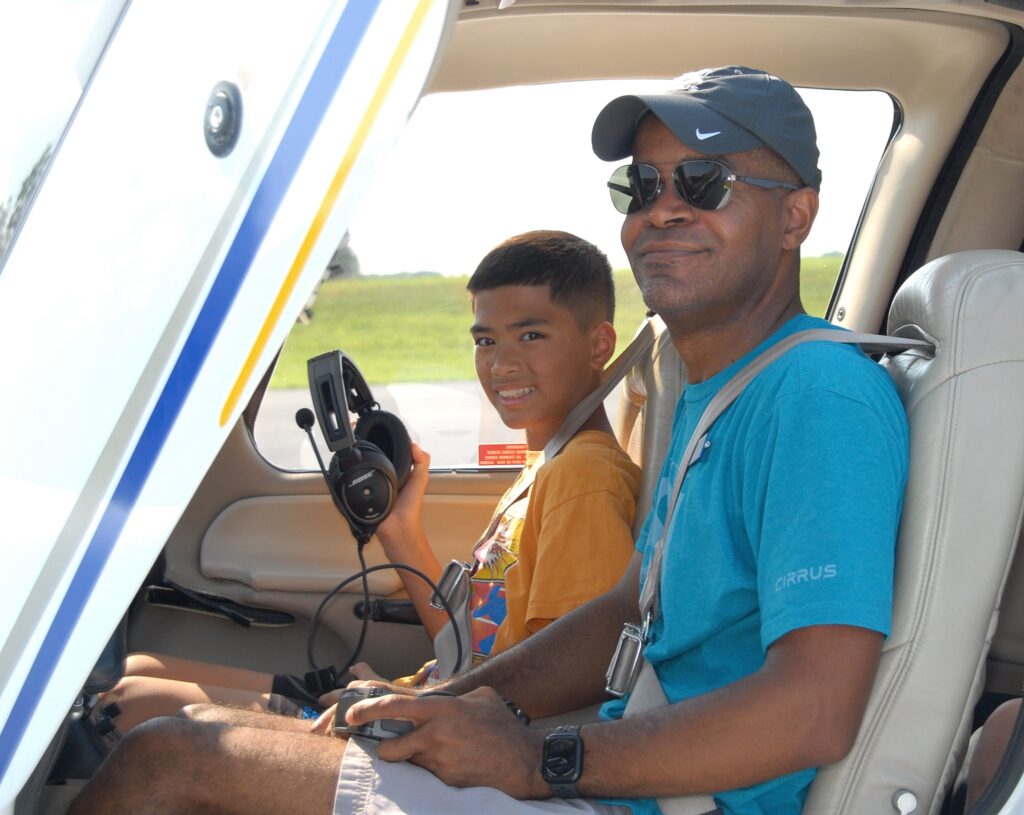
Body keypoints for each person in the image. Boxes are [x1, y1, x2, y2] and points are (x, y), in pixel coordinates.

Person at [57, 66, 908, 815]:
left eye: (703, 182)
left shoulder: (817, 395)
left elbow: (815, 709)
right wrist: (442, 704)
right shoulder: (719, 389)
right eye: (640, 185)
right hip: (622, 781)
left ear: (796, 215)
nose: (662, 208)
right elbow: (625, 607)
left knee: (171, 762)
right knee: (218, 739)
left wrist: (540, 757)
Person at [100, 230, 642, 730]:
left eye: (530, 335)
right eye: (486, 341)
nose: (501, 364)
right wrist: (398, 529)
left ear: (598, 346)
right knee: (139, 667)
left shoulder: (583, 477)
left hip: (448, 729)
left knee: (127, 705)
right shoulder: (547, 465)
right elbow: (469, 646)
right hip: (431, 697)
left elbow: (564, 677)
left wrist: (406, 707)